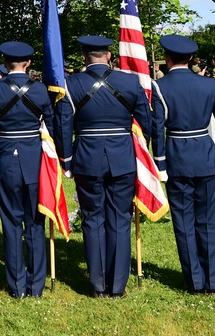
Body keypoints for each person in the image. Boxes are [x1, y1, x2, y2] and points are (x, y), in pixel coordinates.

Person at [55, 36, 151, 298]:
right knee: (120, 219)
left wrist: (66, 159)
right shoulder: (130, 81)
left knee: (92, 218)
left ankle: (98, 285)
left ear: (84, 57)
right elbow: (146, 120)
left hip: (86, 157)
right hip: (123, 157)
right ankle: (117, 285)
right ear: (108, 56)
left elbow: (63, 125)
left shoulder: (70, 83)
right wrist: (142, 150)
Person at [151, 34, 215, 294]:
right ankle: (211, 280)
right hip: (206, 159)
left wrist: (160, 164)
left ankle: (195, 282)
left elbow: (157, 129)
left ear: (166, 59)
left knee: (185, 223)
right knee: (208, 221)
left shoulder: (159, 87)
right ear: (191, 59)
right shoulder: (209, 85)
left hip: (177, 161)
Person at [0, 42, 54, 299]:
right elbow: (52, 125)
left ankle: (16, 286)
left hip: (6, 158)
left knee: (11, 222)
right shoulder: (41, 90)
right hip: (35, 157)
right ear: (29, 63)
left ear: (4, 62)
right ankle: (36, 286)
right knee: (35, 222)